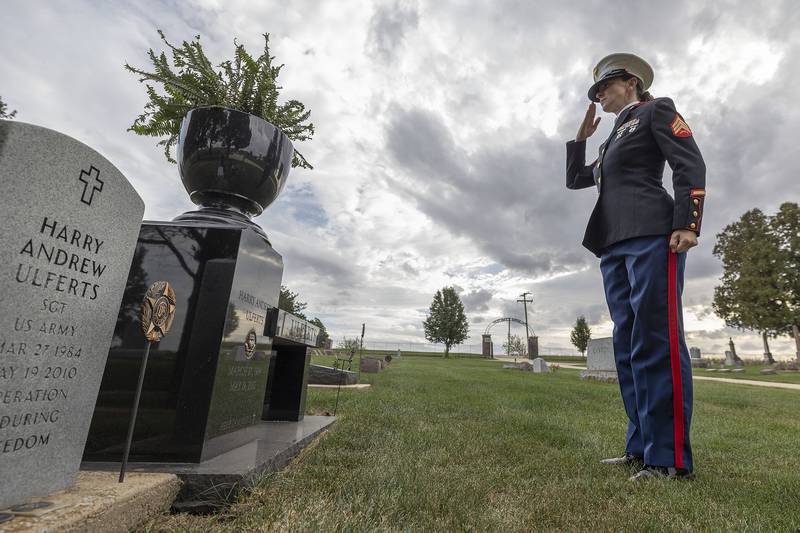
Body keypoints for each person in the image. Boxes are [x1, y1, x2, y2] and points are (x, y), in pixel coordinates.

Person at [565, 53, 706, 481]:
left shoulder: (655, 110)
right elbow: (576, 180)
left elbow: (689, 163)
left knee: (656, 340)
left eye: (605, 87)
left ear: (631, 83)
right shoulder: (609, 141)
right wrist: (581, 139)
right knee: (628, 346)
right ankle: (640, 449)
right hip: (614, 245)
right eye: (596, 91)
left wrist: (687, 222)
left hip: (652, 235)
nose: (600, 95)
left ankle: (669, 460)